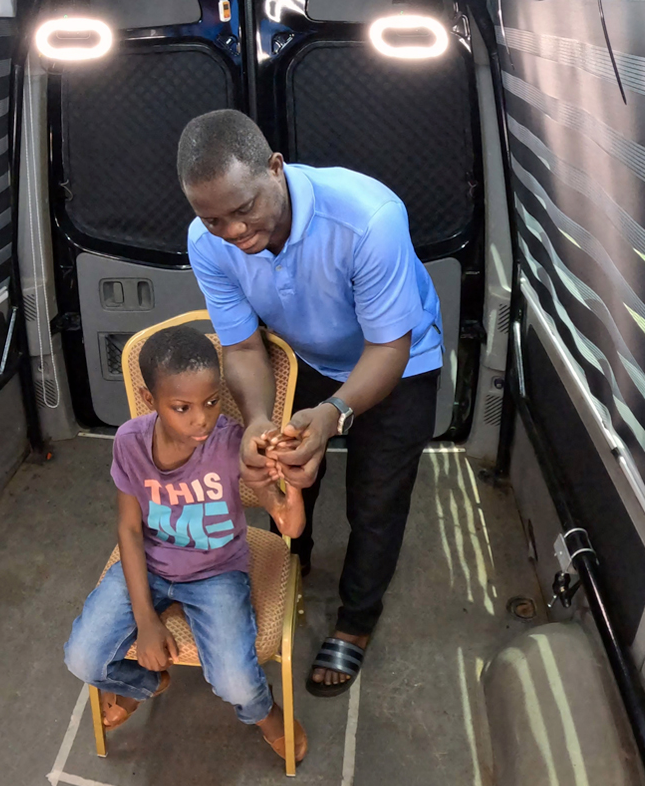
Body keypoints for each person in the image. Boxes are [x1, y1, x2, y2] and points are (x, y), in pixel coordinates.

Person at [176, 109, 444, 698]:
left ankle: (356, 619)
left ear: (275, 168)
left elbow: (389, 345)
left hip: (398, 362)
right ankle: (293, 567)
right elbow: (244, 345)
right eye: (213, 218)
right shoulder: (207, 242)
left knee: (376, 499)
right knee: (288, 475)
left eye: (244, 209)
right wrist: (257, 421)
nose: (234, 233)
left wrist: (334, 416)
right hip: (304, 359)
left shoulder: (368, 217)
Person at [63, 325, 309, 763]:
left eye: (212, 401)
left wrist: (288, 483)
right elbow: (130, 530)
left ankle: (265, 711)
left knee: (234, 680)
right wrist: (145, 620)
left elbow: (289, 527)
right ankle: (146, 685)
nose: (202, 418)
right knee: (82, 658)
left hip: (217, 572)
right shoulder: (130, 443)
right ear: (149, 398)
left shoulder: (233, 441)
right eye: (182, 407)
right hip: (149, 564)